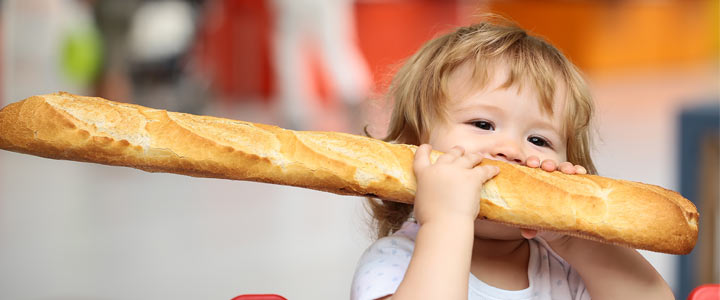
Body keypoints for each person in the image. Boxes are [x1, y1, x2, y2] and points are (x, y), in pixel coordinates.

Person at [350, 17, 674, 300]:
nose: (512, 150)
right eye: (482, 124)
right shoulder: (395, 261)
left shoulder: (568, 266)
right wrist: (446, 221)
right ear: (413, 148)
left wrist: (577, 240)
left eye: (539, 140)